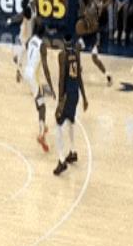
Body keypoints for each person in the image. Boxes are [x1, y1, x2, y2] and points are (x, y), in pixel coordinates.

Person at [54, 33, 88, 176]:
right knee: (70, 121)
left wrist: (60, 100)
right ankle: (73, 152)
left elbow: (62, 78)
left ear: (63, 42)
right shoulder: (76, 53)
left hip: (67, 94)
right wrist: (84, 97)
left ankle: (61, 160)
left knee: (58, 124)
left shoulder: (62, 55)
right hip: (75, 94)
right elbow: (79, 76)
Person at [24, 22, 56, 152]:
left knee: (39, 99)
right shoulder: (42, 46)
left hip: (27, 72)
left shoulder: (30, 39)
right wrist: (51, 87)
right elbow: (46, 69)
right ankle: (42, 134)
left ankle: (43, 125)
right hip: (33, 77)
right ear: (43, 33)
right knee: (42, 106)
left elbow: (26, 47)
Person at [76, 0, 112, 86]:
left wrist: (87, 30)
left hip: (92, 35)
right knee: (76, 48)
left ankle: (107, 75)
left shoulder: (91, 10)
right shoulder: (85, 8)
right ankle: (79, 68)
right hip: (86, 35)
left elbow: (95, 26)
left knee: (94, 58)